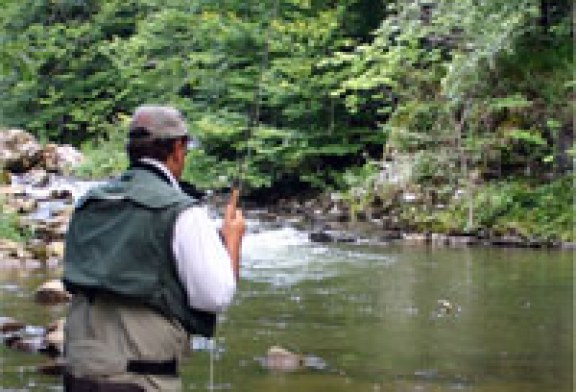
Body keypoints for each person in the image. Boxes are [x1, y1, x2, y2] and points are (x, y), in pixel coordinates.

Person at [62, 105, 245, 391]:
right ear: (178, 148)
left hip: (79, 375)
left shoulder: (89, 204)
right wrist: (231, 243)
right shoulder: (183, 212)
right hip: (140, 380)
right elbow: (215, 296)